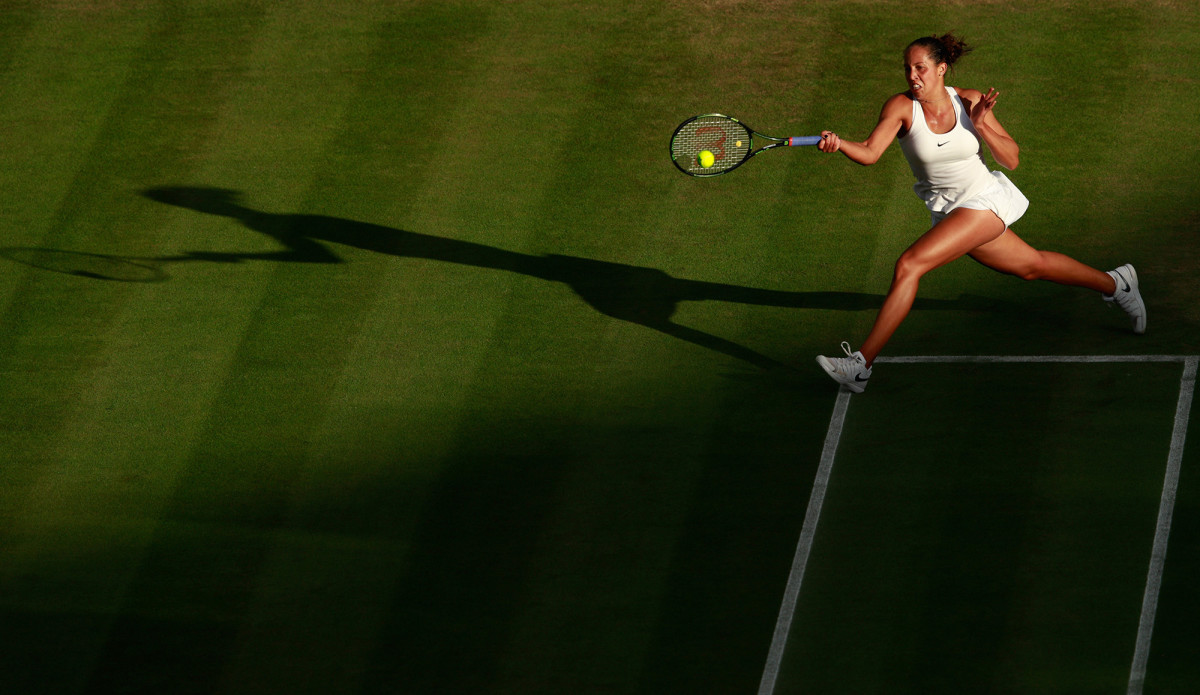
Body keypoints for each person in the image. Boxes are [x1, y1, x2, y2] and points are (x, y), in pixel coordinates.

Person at [814, 34, 1145, 393]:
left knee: (910, 264)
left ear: (941, 69)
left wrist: (981, 123)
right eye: (907, 68)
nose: (912, 76)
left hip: (985, 200)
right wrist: (840, 144)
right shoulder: (899, 107)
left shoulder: (969, 100)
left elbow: (1012, 159)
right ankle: (1117, 283)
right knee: (1032, 266)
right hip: (950, 213)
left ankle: (861, 365)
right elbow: (870, 152)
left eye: (920, 68)